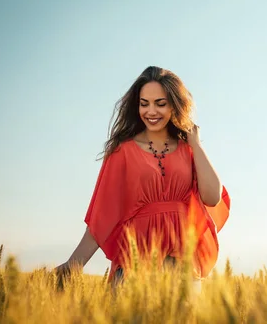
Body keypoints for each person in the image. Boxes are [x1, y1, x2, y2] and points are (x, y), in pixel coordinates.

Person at [55, 66, 230, 286]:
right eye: (144, 103)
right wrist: (75, 263)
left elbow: (212, 197)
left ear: (175, 105)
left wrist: (196, 144)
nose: (151, 111)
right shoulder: (122, 151)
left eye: (160, 103)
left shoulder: (188, 150)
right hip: (135, 265)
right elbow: (103, 214)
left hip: (182, 262)